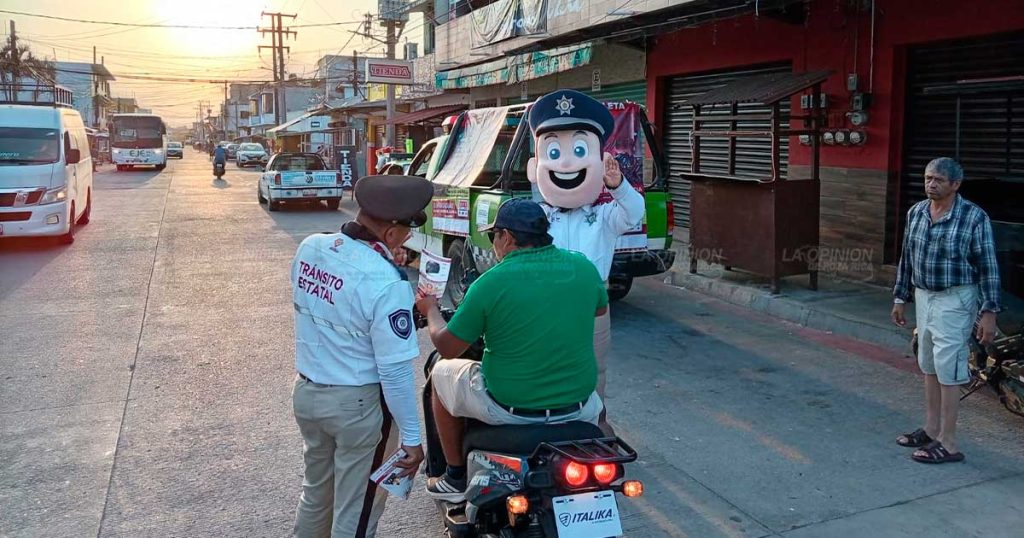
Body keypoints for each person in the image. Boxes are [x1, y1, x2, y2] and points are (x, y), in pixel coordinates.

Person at [415, 198, 608, 502]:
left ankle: (454, 476)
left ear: (507, 237)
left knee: (440, 373)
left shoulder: (491, 282)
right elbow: (599, 309)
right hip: (578, 404)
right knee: (600, 406)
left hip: (511, 407)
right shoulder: (582, 266)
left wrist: (430, 311)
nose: (494, 244)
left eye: (494, 236)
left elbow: (448, 346)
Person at [290, 174, 433, 537]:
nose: (408, 240)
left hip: (308, 396)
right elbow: (396, 370)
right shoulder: (387, 283)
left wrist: (386, 262)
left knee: (316, 497)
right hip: (356, 408)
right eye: (405, 232)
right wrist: (412, 441)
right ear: (389, 234)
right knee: (356, 513)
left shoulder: (310, 247)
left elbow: (338, 303)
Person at [525, 89, 645, 436]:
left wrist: (618, 185)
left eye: (579, 150)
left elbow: (634, 214)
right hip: (544, 306)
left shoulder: (605, 216)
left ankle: (597, 421)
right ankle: (548, 424)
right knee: (545, 366)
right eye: (554, 152)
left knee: (595, 370)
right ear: (536, 167)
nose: (566, 164)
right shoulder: (536, 217)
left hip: (592, 307)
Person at [892, 157, 1001, 464]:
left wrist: (989, 310)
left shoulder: (973, 218)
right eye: (928, 178)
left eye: (938, 179)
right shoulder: (916, 212)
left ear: (955, 184)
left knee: (949, 369)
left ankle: (949, 443)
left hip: (957, 299)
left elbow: (988, 266)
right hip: (924, 296)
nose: (931, 184)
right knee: (928, 363)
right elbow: (907, 258)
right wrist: (900, 297)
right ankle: (931, 428)